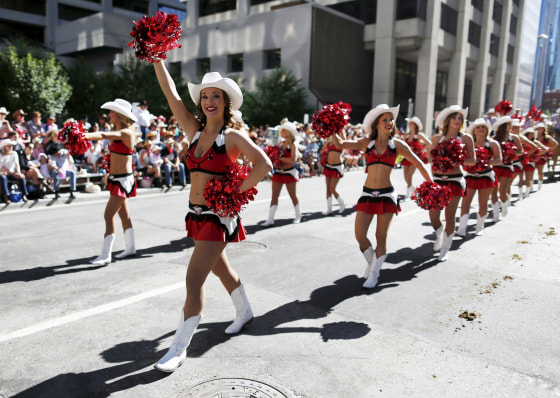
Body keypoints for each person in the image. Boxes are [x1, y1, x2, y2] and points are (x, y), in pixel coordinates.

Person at [153, 63, 272, 372]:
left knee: (194, 279)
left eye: (216, 96)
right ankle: (244, 311)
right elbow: (170, 93)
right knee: (220, 268)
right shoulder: (193, 130)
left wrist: (235, 191)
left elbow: (264, 165)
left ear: (225, 102)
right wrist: (157, 58)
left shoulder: (231, 137)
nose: (209, 100)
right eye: (205, 95)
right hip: (195, 214)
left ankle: (178, 348)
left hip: (218, 217)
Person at [334, 104, 431, 288]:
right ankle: (372, 263)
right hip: (367, 193)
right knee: (360, 235)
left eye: (391, 119)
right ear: (377, 123)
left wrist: (431, 183)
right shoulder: (366, 143)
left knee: (380, 236)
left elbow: (418, 163)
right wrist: (331, 127)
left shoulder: (397, 145)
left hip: (387, 195)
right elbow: (339, 144)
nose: (389, 122)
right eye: (384, 119)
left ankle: (375, 274)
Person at [84, 99, 139, 265]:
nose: (109, 115)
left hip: (123, 180)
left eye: (112, 112)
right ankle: (131, 248)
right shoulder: (117, 130)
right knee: (124, 215)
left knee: (108, 215)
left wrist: (82, 136)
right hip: (116, 178)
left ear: (120, 115)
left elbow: (102, 135)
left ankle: (105, 255)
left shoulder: (127, 132)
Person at [428, 105, 475, 261]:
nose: (457, 120)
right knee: (433, 215)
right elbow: (429, 159)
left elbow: (472, 160)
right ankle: (440, 235)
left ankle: (445, 249)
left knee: (450, 215)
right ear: (447, 121)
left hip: (455, 181)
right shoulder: (437, 138)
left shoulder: (466, 138)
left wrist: (457, 159)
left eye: (460, 118)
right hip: (438, 180)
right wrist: (437, 160)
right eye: (454, 118)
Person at [456, 119, 502, 237]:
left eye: (483, 127)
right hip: (470, 177)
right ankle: (462, 228)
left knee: (483, 203)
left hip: (486, 177)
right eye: (478, 127)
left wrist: (485, 162)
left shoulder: (492, 144)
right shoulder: (468, 144)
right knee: (465, 203)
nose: (481, 129)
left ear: (487, 130)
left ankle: (479, 227)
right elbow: (462, 159)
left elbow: (499, 160)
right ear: (473, 130)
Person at [262, 121, 302, 225]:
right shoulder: (280, 143)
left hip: (290, 173)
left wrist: (278, 158)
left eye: (284, 130)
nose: (282, 132)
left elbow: (293, 160)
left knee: (293, 195)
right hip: (279, 172)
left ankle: (298, 215)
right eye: (282, 130)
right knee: (274, 196)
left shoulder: (293, 144)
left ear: (289, 132)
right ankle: (270, 219)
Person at [490, 116, 524, 221]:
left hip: (508, 166)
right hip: (495, 167)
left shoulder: (514, 138)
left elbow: (521, 151)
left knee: (503, 192)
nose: (510, 127)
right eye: (508, 124)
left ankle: (504, 205)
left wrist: (512, 153)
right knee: (493, 192)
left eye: (510, 124)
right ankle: (496, 214)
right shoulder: (494, 138)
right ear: (502, 126)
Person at [401, 116, 431, 199]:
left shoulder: (418, 135)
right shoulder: (406, 135)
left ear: (415, 125)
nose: (410, 124)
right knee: (406, 176)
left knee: (409, 175)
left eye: (411, 123)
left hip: (415, 157)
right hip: (406, 157)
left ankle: (408, 195)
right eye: (409, 123)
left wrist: (421, 150)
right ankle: (412, 188)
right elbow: (402, 145)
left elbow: (429, 143)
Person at [320, 129, 346, 215]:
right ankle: (329, 208)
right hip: (328, 166)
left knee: (332, 188)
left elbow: (343, 142)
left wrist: (335, 133)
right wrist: (327, 140)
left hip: (337, 166)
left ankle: (342, 204)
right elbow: (323, 150)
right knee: (328, 188)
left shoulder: (341, 135)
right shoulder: (330, 138)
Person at [511, 119, 538, 199]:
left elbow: (534, 147)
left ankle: (522, 193)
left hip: (518, 162)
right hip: (507, 162)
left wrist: (526, 154)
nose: (516, 130)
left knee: (520, 178)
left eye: (518, 128)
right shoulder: (507, 137)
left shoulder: (522, 138)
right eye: (514, 128)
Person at [535, 122, 558, 189]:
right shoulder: (534, 136)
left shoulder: (546, 137)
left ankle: (540, 183)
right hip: (534, 155)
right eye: (539, 129)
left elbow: (555, 144)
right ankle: (529, 184)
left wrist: (548, 150)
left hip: (542, 156)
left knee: (540, 171)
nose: (540, 130)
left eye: (542, 129)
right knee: (531, 170)